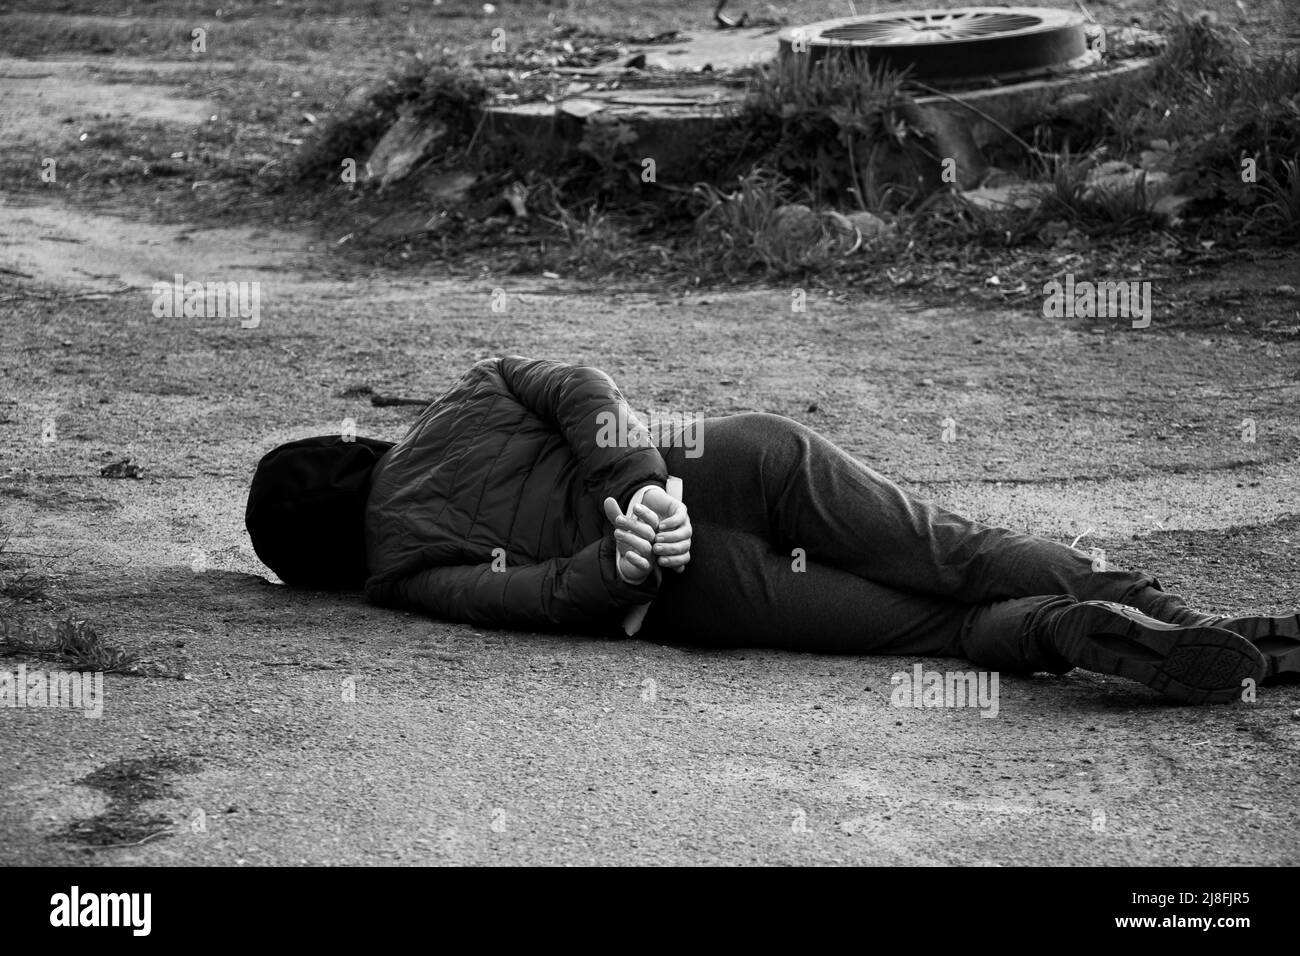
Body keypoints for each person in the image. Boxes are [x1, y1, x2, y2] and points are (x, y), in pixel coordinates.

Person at [244, 355, 1299, 705]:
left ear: (318, 565)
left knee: (927, 627)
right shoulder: (465, 394)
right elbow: (583, 385)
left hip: (697, 585)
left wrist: (621, 555)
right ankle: (1178, 613)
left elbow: (539, 602)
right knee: (958, 548)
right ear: (345, 449)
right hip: (734, 454)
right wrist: (646, 479)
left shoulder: (399, 572)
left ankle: (1068, 633)